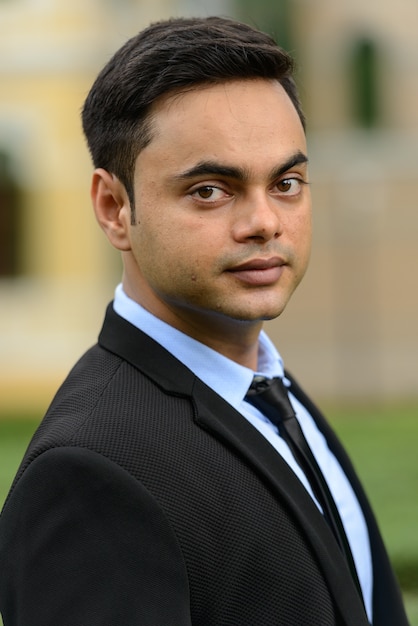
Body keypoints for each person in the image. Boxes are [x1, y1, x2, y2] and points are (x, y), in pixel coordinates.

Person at [0, 16, 409, 626]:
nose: (265, 222)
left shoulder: (273, 394)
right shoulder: (89, 474)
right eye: (211, 191)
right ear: (114, 208)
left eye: (287, 183)